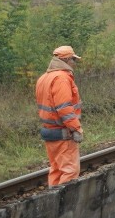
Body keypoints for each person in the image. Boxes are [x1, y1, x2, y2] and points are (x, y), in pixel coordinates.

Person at [36, 45, 84, 186]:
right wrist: (76, 128)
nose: (74, 63)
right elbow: (64, 108)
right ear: (67, 60)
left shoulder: (44, 78)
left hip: (50, 130)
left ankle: (53, 199)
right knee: (69, 171)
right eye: (74, 60)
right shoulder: (62, 78)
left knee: (56, 170)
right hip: (63, 132)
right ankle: (65, 204)